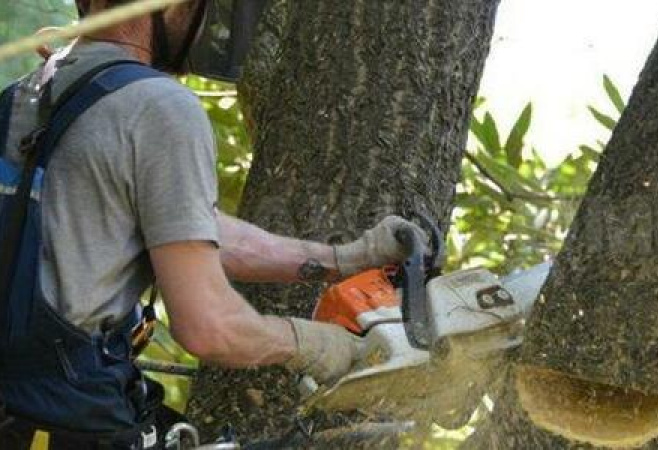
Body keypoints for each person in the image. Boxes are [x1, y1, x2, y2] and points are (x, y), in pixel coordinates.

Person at [0, 0, 426, 448]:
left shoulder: (25, 96)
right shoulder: (156, 106)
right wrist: (318, 346)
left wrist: (341, 259)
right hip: (66, 419)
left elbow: (183, 226)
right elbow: (209, 325)